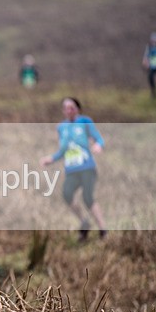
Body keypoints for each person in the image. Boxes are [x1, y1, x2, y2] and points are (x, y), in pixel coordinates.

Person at [40, 97, 107, 241]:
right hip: (71, 169)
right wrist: (50, 159)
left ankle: (103, 229)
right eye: (65, 108)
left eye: (71, 107)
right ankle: (84, 222)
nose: (68, 110)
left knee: (88, 198)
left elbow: (99, 139)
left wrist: (98, 145)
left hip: (87, 167)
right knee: (67, 195)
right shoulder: (61, 127)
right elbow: (63, 150)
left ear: (77, 109)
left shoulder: (85, 122)